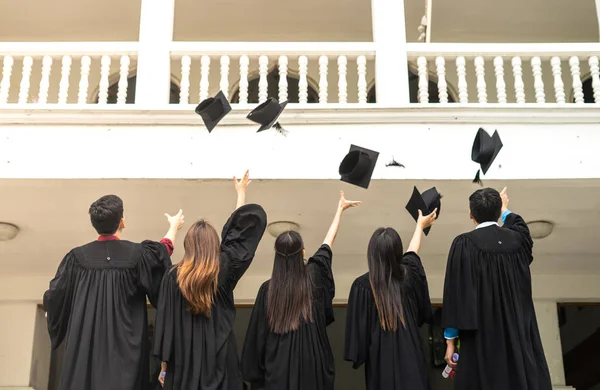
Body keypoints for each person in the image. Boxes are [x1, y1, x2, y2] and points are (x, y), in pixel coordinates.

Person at [43, 195, 184, 390]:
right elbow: (160, 254)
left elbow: (54, 296)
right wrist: (173, 227)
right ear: (122, 221)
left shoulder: (76, 259)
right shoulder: (137, 255)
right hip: (125, 359)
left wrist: (52, 313)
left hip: (86, 355)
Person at [154, 170, 267, 390]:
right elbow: (238, 238)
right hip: (221, 362)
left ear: (188, 245)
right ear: (215, 246)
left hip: (183, 364)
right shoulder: (223, 268)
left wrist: (164, 366)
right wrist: (241, 194)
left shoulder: (172, 277)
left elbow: (165, 324)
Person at [241, 190, 360, 390]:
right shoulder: (314, 278)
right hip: (312, 375)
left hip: (276, 375)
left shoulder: (268, 290)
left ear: (277, 256)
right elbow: (326, 246)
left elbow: (257, 338)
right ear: (303, 253)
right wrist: (339, 211)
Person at [442, 187, 552, 390]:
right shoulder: (518, 241)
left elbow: (456, 294)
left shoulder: (463, 244)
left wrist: (450, 341)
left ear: (471, 215)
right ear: (498, 211)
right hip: (517, 334)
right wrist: (505, 210)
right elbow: (519, 225)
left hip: (481, 338)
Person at [344, 208, 437, 390]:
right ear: (397, 252)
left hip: (380, 365)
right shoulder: (409, 276)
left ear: (371, 253)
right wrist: (419, 225)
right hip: (412, 360)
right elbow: (412, 254)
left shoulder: (362, 286)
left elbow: (358, 341)